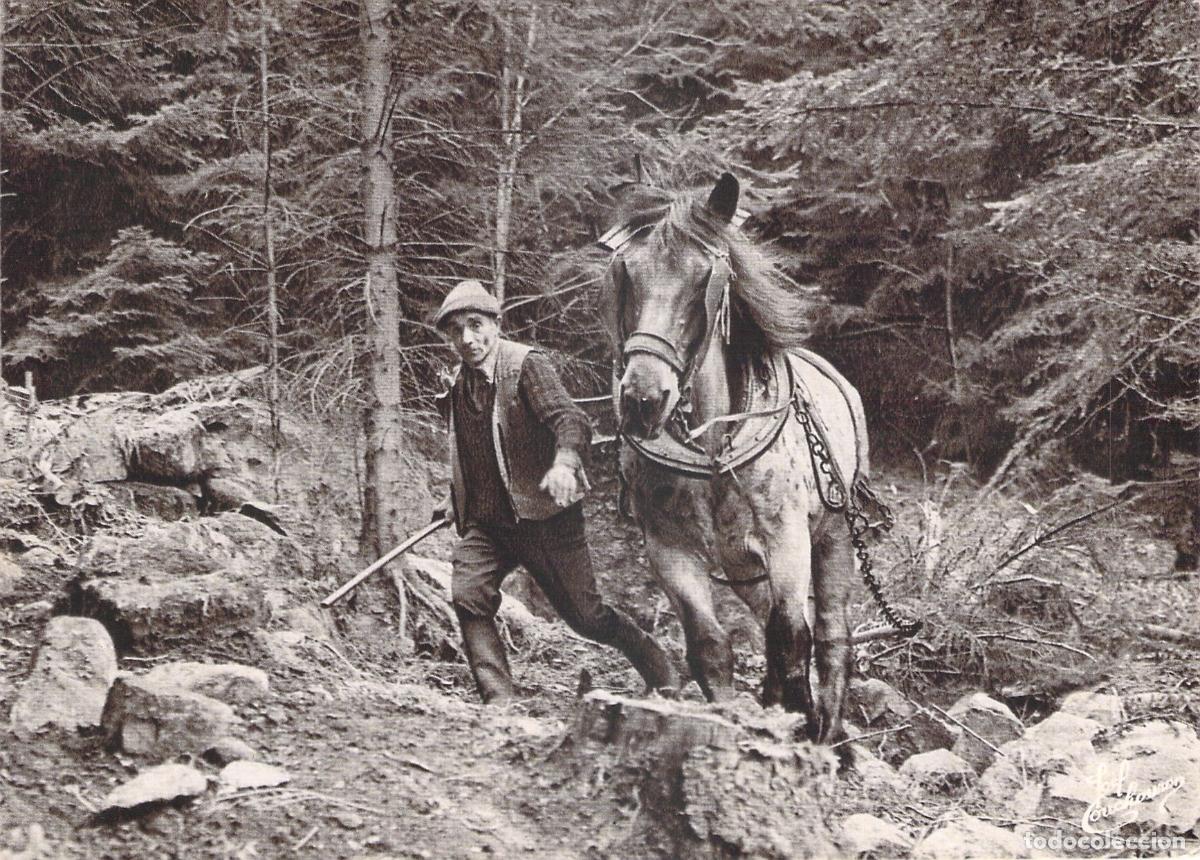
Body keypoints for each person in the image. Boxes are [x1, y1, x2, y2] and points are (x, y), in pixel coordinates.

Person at [431, 279, 678, 704]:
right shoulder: (458, 385)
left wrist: (565, 463)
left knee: (587, 618)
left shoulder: (525, 367)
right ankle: (499, 702)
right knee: (468, 594)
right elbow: (474, 453)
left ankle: (660, 668)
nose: (467, 339)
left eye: (475, 325)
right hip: (490, 526)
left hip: (547, 519)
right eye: (456, 331)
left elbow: (571, 419)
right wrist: (454, 498)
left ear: (495, 324)